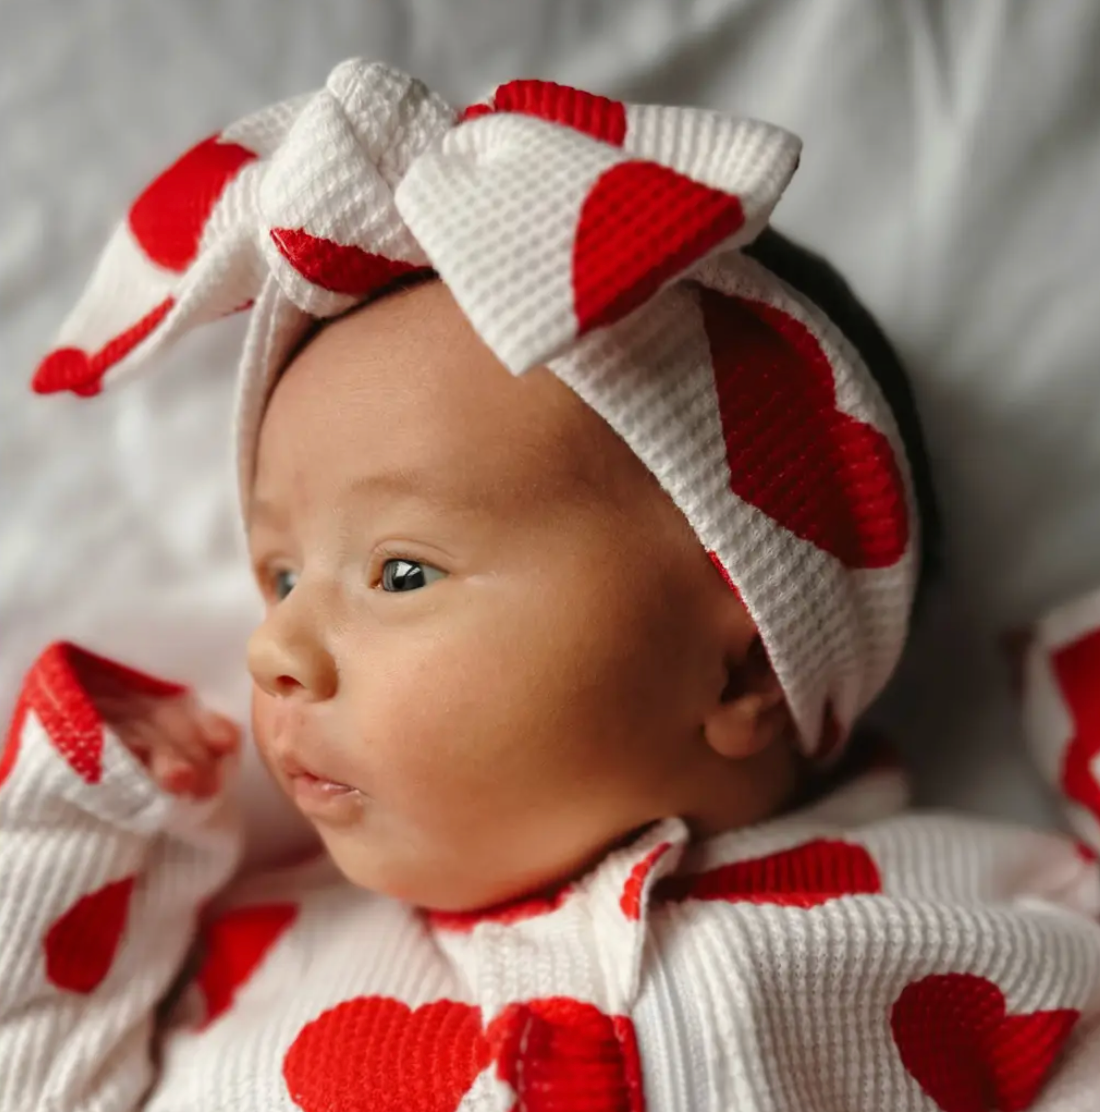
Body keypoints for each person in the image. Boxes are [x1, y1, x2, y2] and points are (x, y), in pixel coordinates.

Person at [3, 60, 1098, 1112]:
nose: (272, 645)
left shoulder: (965, 930)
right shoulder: (259, 957)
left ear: (741, 669)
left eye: (399, 572)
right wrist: (72, 838)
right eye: (281, 576)